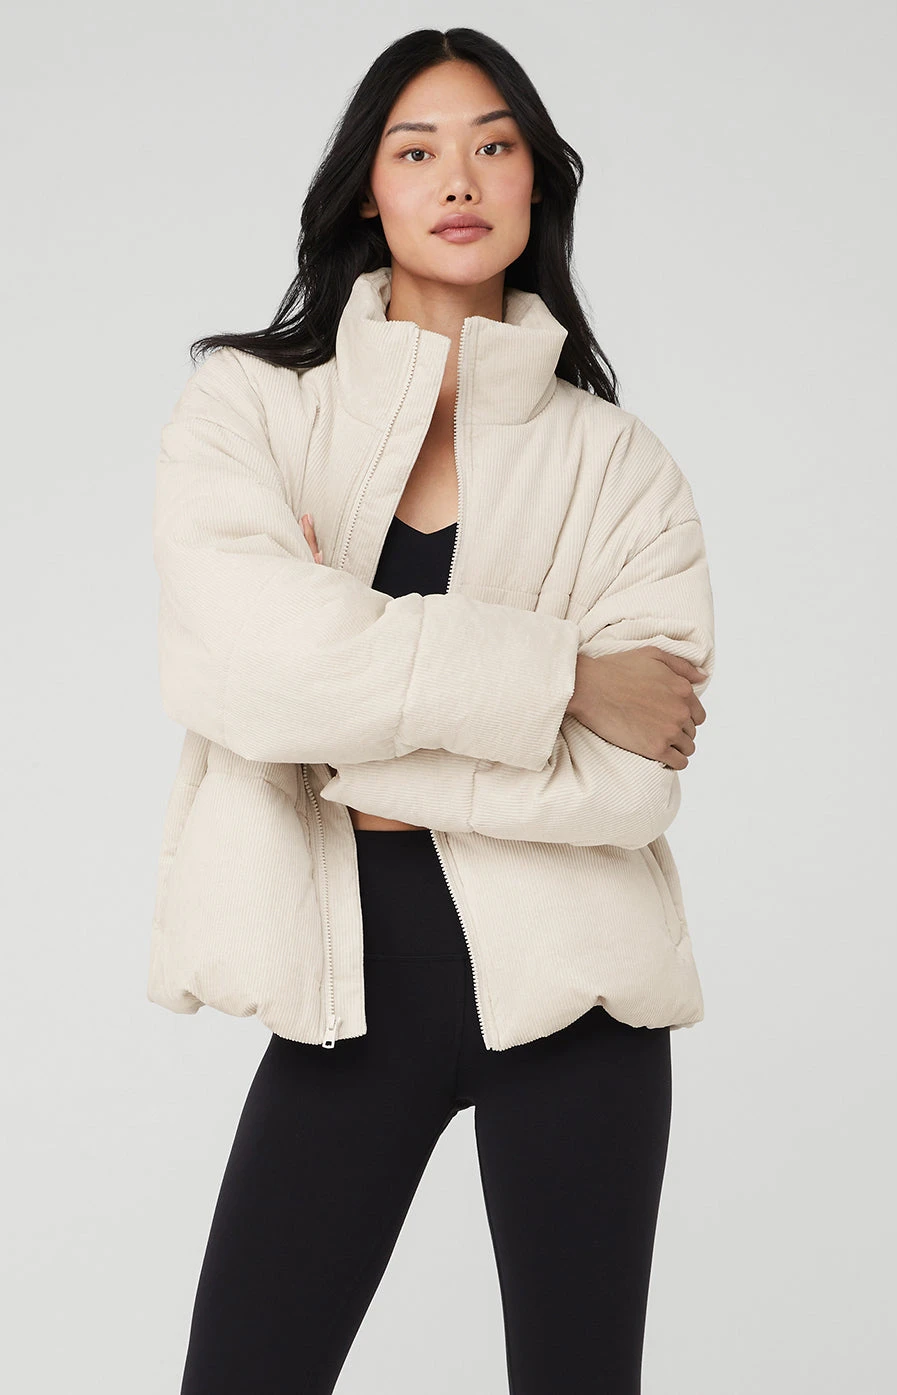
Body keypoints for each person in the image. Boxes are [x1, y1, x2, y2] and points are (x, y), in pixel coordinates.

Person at [150, 27, 715, 1395]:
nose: (457, 178)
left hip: (583, 1007)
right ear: (369, 186)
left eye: (492, 144)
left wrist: (358, 748)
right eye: (417, 149)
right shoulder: (251, 409)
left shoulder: (622, 466)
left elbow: (637, 778)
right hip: (347, 1001)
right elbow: (249, 673)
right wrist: (562, 679)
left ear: (535, 183)